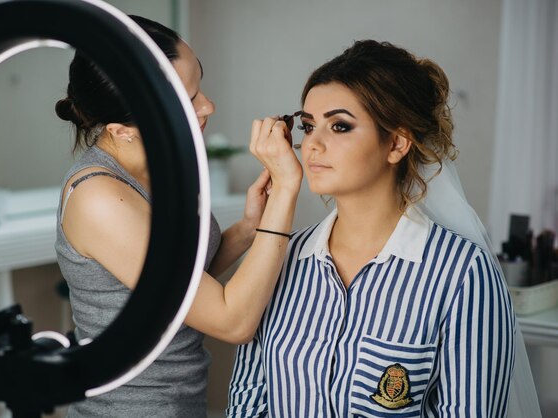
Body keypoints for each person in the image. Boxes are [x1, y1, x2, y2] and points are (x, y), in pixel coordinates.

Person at [227, 40, 539, 417]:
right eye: (308, 127)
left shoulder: (463, 273)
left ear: (396, 143)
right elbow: (247, 402)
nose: (312, 145)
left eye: (340, 126)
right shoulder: (278, 259)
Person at [54, 16, 302, 418]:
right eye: (188, 100)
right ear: (122, 130)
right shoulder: (100, 200)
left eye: (199, 85)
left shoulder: (165, 163)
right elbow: (232, 321)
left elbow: (180, 286)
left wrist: (247, 229)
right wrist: (287, 192)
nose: (208, 106)